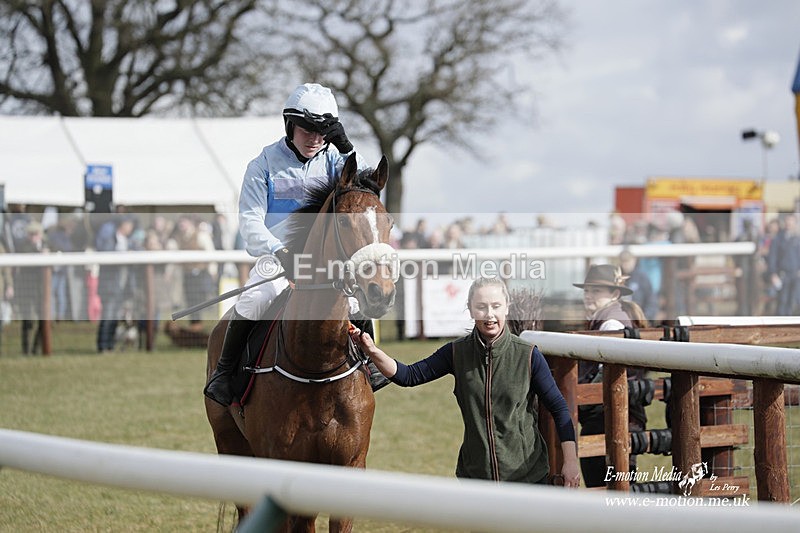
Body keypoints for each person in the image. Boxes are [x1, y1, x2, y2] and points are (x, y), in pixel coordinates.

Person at [204, 82, 389, 407]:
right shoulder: (262, 165)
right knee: (254, 299)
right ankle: (224, 374)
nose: (315, 139)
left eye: (323, 132)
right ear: (290, 125)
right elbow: (249, 222)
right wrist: (279, 251)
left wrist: (346, 148)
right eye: (307, 130)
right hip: (278, 258)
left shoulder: (333, 159)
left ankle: (370, 367)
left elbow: (365, 193)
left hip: (327, 261)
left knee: (357, 304)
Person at [350, 277, 581, 487]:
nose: (489, 315)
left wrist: (570, 462)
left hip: (528, 479)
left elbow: (559, 409)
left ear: (506, 308)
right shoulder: (456, 353)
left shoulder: (528, 355)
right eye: (481, 307)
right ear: (470, 310)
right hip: (476, 481)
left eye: (496, 306)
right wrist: (371, 350)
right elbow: (407, 375)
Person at [574, 264, 649, 488]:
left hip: (608, 414)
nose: (589, 296)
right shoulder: (612, 317)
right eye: (587, 290)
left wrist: (584, 402)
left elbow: (603, 371)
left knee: (605, 483)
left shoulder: (611, 323)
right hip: (614, 412)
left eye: (596, 291)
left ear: (614, 294)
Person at [619, 250, 658, 321]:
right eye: (623, 261)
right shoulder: (617, 278)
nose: (625, 265)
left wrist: (645, 318)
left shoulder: (642, 277)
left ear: (634, 260)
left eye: (627, 261)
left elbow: (651, 300)